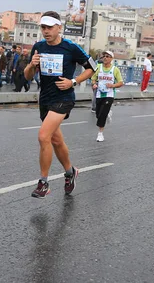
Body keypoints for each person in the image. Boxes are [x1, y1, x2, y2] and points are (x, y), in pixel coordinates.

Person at [24, 11, 97, 198]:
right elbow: (27, 76)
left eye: (50, 27)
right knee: (55, 140)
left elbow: (92, 68)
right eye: (43, 27)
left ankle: (43, 183)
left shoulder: (70, 47)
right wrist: (32, 65)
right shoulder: (38, 47)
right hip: (45, 99)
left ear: (59, 28)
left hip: (64, 98)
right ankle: (70, 172)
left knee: (43, 136)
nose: (46, 31)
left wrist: (73, 81)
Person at [91, 51, 123, 142]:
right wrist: (94, 84)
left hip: (109, 94)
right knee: (98, 114)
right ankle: (108, 113)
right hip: (99, 94)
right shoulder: (98, 67)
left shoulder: (115, 69)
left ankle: (100, 134)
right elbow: (93, 79)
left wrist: (112, 85)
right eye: (104, 56)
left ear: (111, 59)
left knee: (102, 114)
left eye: (108, 56)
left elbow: (121, 82)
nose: (105, 58)